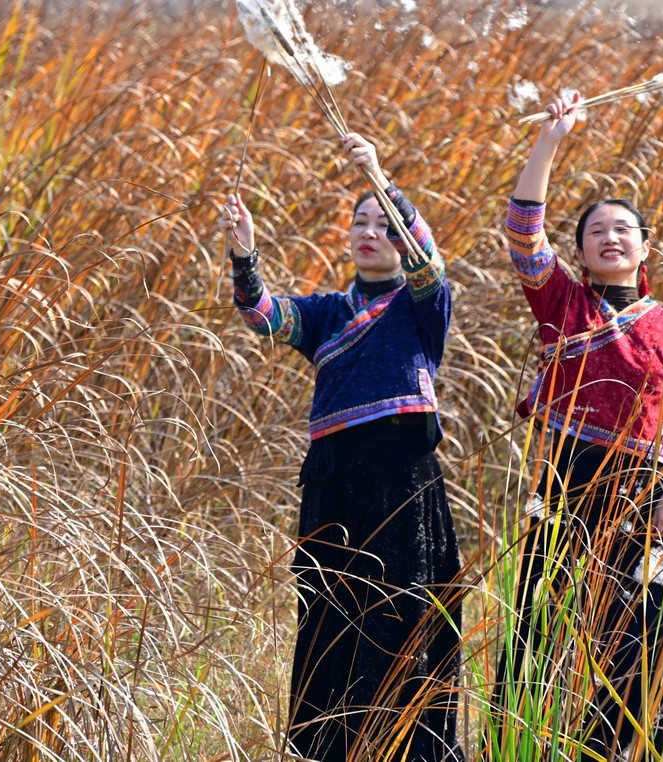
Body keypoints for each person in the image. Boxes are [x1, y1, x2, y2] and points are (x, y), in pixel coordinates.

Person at [221, 133, 463, 762]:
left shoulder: (424, 304)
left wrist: (380, 176)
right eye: (360, 221)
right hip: (334, 485)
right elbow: (264, 315)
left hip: (402, 481)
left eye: (384, 224)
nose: (370, 232)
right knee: (330, 619)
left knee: (403, 613)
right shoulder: (328, 312)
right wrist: (244, 254)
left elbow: (429, 262)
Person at [491, 93, 663, 761]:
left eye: (623, 229)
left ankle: (614, 749)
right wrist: (551, 139)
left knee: (657, 637)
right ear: (581, 253)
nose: (610, 238)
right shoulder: (561, 302)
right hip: (563, 484)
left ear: (645, 247)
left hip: (643, 495)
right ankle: (519, 746)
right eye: (596, 232)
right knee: (538, 627)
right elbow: (523, 230)